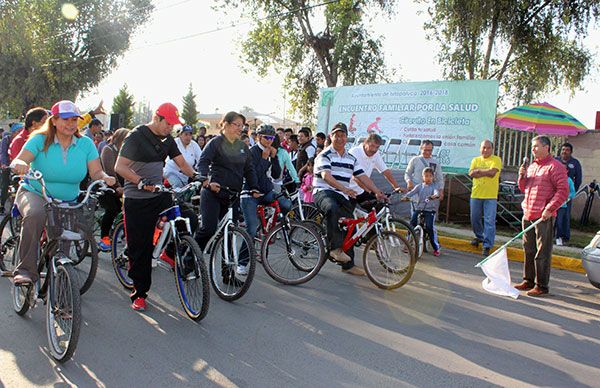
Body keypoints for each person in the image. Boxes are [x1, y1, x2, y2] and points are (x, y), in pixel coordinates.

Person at [9, 100, 116, 285]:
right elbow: (20, 159)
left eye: (74, 119)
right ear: (54, 120)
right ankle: (26, 270)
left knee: (64, 235)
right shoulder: (39, 139)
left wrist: (105, 177)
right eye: (65, 119)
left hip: (68, 199)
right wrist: (20, 164)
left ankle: (60, 279)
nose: (70, 124)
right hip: (35, 192)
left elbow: (96, 171)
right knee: (35, 214)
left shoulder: (86, 144)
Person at [114, 102, 199, 311]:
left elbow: (181, 163)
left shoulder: (168, 140)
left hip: (159, 194)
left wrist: (197, 177)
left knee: (190, 218)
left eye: (173, 125)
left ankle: (169, 253)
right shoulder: (136, 137)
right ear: (156, 117)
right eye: (168, 123)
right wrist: (140, 181)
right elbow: (119, 167)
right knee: (140, 249)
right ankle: (139, 293)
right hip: (137, 198)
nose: (170, 128)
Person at [313, 122, 386, 276]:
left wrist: (377, 192)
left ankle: (348, 265)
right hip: (324, 192)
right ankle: (334, 249)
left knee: (350, 227)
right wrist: (344, 188)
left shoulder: (351, 158)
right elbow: (326, 176)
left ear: (347, 138)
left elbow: (363, 176)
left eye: (343, 135)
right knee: (332, 208)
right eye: (336, 135)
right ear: (331, 137)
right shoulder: (324, 155)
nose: (339, 138)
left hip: (342, 195)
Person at [195, 111, 259, 280]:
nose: (240, 128)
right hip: (213, 192)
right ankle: (190, 257)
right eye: (237, 124)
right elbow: (203, 162)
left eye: (242, 125)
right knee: (208, 229)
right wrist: (205, 180)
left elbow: (249, 169)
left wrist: (254, 187)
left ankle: (227, 274)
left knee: (229, 234)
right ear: (226, 124)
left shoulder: (243, 147)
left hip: (232, 195)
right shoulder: (215, 143)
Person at [515, 135, 569, 297]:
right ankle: (528, 280)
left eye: (536, 146)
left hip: (543, 216)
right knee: (528, 249)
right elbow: (524, 188)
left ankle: (542, 285)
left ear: (547, 148)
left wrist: (549, 208)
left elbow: (563, 191)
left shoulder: (555, 167)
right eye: (532, 147)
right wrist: (522, 176)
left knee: (542, 252)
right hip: (529, 212)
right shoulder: (531, 167)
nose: (533, 150)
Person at [239, 125, 292, 274]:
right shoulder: (251, 152)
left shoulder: (272, 151)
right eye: (266, 137)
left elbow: (276, 175)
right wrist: (263, 159)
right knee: (250, 228)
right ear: (258, 137)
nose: (269, 141)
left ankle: (270, 225)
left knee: (286, 204)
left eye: (272, 138)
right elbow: (252, 175)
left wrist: (274, 158)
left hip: (267, 192)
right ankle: (242, 262)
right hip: (250, 193)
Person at [348, 133, 403, 209]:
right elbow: (356, 177)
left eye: (377, 147)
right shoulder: (354, 152)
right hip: (348, 190)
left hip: (362, 190)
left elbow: (385, 171)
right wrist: (372, 192)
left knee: (378, 210)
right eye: (372, 146)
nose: (374, 150)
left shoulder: (376, 154)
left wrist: (396, 187)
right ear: (365, 143)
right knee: (347, 216)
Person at [97, 128, 130, 251]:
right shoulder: (108, 149)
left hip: (121, 186)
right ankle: (104, 238)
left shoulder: (125, 152)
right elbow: (109, 171)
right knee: (112, 210)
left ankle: (119, 233)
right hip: (106, 185)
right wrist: (117, 187)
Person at [468, 140, 502, 256]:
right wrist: (484, 172)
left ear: (492, 149)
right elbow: (471, 173)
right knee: (474, 218)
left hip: (490, 196)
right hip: (476, 194)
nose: (485, 150)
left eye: (488, 148)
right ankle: (480, 236)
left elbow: (492, 173)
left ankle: (487, 245)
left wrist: (479, 171)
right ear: (480, 148)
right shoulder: (475, 160)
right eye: (483, 147)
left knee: (489, 221)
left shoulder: (496, 159)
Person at [402, 167, 441, 256]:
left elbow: (436, 193)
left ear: (433, 177)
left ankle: (436, 247)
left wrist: (435, 196)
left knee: (429, 227)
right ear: (422, 177)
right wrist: (405, 197)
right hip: (419, 209)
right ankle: (407, 244)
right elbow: (411, 193)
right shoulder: (419, 186)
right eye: (426, 176)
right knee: (412, 224)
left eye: (430, 176)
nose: (428, 178)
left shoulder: (434, 186)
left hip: (430, 210)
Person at [554, 142, 582, 246]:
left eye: (567, 150)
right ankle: (552, 235)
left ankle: (564, 236)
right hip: (554, 195)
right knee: (552, 216)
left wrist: (571, 194)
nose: (564, 152)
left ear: (571, 152)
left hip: (566, 197)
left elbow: (578, 179)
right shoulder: (555, 160)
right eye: (563, 150)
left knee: (564, 217)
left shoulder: (575, 163)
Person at [0, 123, 23, 213]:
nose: (20, 133)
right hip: (8, 165)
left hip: (19, 166)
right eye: (18, 131)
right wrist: (4, 164)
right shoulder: (6, 140)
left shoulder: (23, 139)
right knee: (5, 184)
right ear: (13, 133)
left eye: (21, 131)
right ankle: (2, 204)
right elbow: (3, 153)